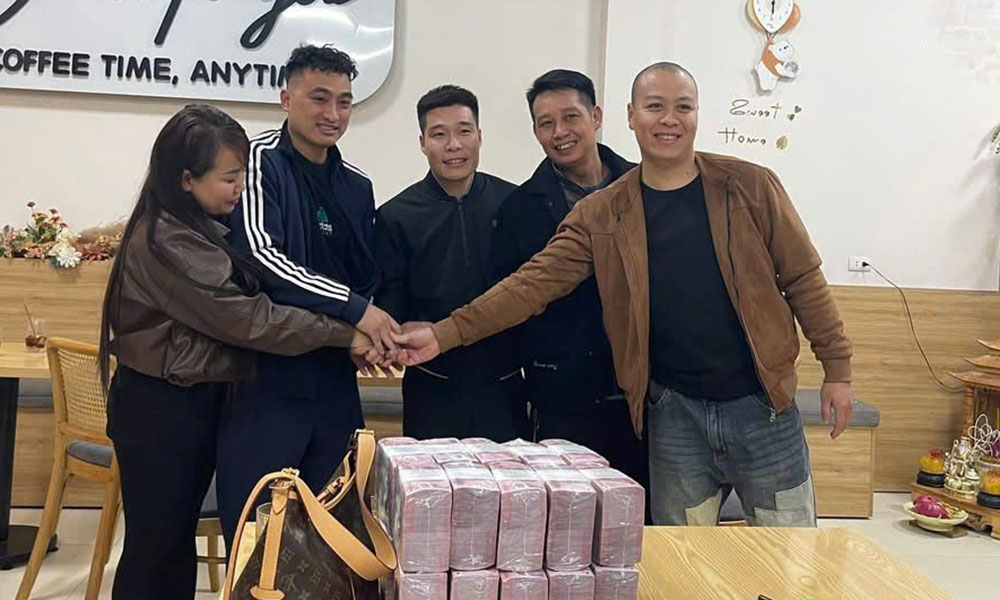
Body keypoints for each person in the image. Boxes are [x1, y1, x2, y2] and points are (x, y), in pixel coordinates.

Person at [393, 63, 855, 527]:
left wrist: (837, 369)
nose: (668, 119)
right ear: (632, 116)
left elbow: (803, 278)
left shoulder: (749, 186)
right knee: (675, 552)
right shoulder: (604, 212)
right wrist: (443, 333)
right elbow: (530, 285)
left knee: (791, 549)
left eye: (682, 107)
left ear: (697, 114)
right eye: (654, 107)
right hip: (673, 414)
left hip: (763, 406)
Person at [98, 104, 373, 599]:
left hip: (192, 401)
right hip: (161, 409)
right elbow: (250, 320)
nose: (240, 189)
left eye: (243, 175)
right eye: (228, 178)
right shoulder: (169, 242)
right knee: (157, 548)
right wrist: (345, 331)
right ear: (186, 179)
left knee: (170, 544)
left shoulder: (198, 226)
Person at [220, 44, 397, 548]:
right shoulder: (258, 162)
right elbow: (262, 259)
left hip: (336, 380)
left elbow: (366, 273)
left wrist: (368, 328)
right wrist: (358, 313)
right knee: (258, 536)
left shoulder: (357, 184)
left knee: (336, 531)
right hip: (267, 379)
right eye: (319, 98)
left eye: (344, 101)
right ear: (286, 99)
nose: (333, 114)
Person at [492, 69, 646, 490]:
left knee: (645, 515)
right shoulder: (518, 209)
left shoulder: (643, 186)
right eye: (546, 123)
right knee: (569, 516)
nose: (559, 132)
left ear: (596, 117)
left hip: (646, 398)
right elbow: (512, 301)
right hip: (563, 399)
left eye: (571, 117)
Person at [375, 85, 525, 440]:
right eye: (439, 134)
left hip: (505, 385)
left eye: (464, 131)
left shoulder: (516, 203)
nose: (454, 145)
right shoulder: (395, 216)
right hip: (431, 383)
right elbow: (390, 300)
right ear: (423, 143)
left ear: (479, 137)